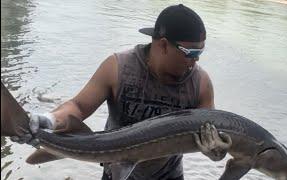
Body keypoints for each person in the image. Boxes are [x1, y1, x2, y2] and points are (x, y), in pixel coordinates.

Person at [11, 4, 228, 180]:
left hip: (169, 176)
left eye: (201, 51)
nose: (197, 59)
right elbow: (78, 106)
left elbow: (209, 134)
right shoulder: (118, 67)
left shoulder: (201, 83)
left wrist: (216, 152)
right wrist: (49, 120)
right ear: (163, 45)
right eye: (191, 52)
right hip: (116, 172)